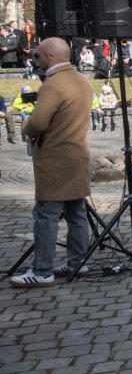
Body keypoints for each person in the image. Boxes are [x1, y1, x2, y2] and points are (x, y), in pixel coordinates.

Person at [10, 39, 94, 288]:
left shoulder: (53, 84)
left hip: (55, 159)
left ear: (47, 57)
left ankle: (42, 270)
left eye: (37, 55)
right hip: (77, 155)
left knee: (46, 215)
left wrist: (25, 125)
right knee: (76, 213)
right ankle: (78, 262)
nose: (36, 59)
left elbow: (38, 124)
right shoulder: (81, 80)